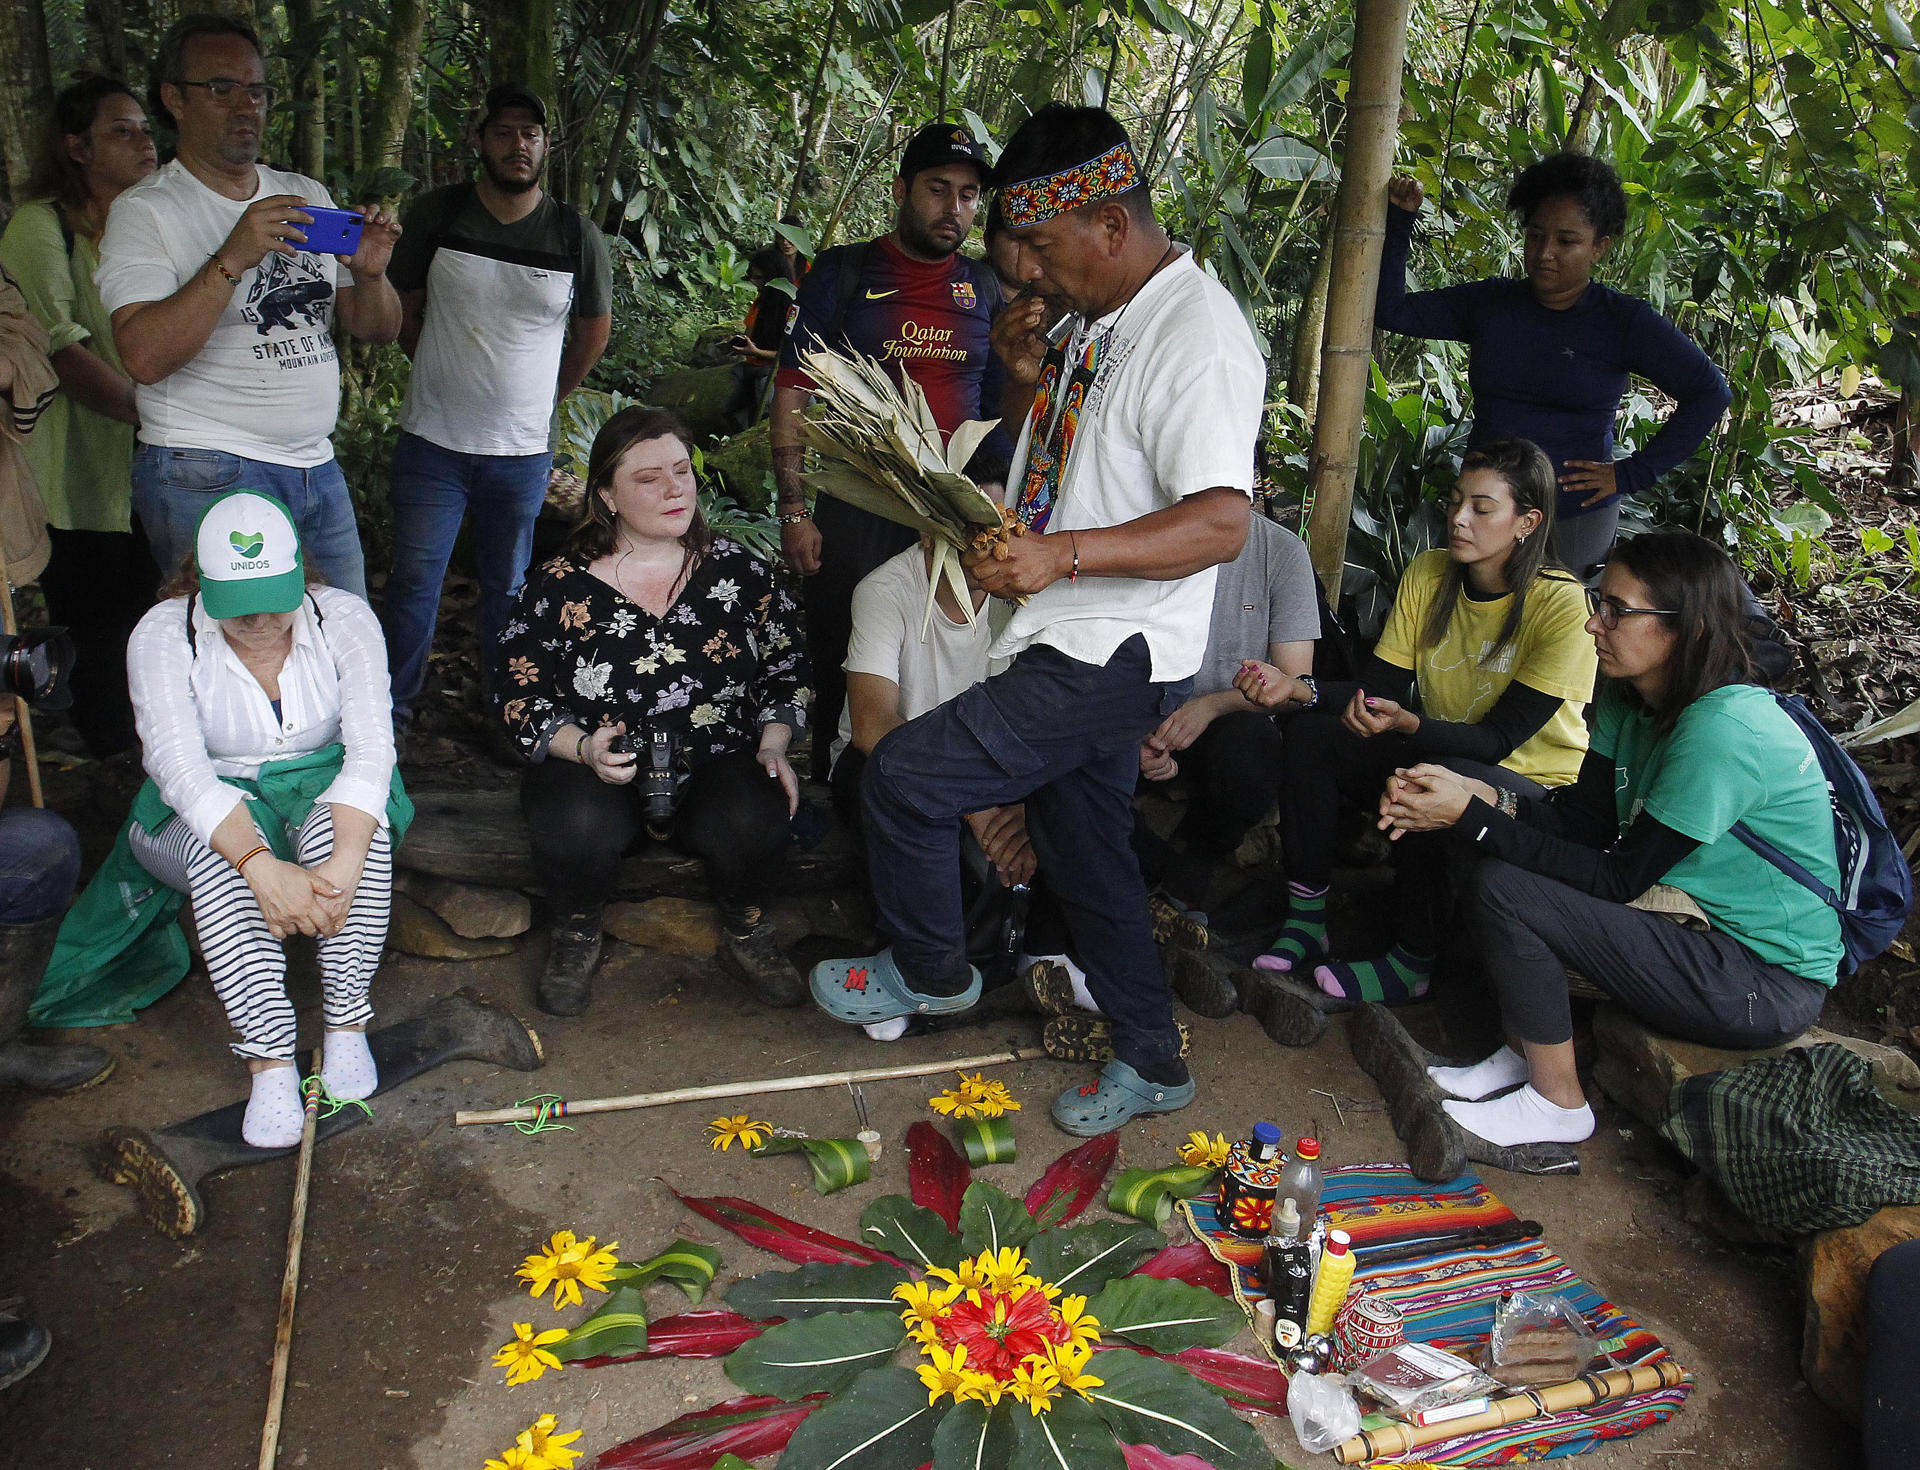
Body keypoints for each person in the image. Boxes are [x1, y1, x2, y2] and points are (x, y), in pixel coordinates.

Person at [808, 103, 1260, 1134]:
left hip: (1109, 646)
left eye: (1044, 249)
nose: (1029, 275)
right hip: (1068, 628)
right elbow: (1060, 475)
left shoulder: (1199, 339)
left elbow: (1223, 521)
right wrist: (1021, 386)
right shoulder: (1104, 320)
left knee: (911, 774)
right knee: (1087, 846)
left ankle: (931, 968)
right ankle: (1153, 1063)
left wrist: (1060, 557)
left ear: (1109, 222)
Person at [1378, 530, 1839, 1149]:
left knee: (1506, 886)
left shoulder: (1725, 730)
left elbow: (1620, 877)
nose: (1595, 624)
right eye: (1600, 602)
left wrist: (1472, 816)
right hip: (1686, 922)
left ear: (1689, 629)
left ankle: (1557, 1103)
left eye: (1617, 611)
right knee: (1479, 795)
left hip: (1759, 978)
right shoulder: (1629, 696)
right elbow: (1581, 826)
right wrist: (1477, 799)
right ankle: (1524, 1056)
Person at [1235, 438, 1596, 1007]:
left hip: (1531, 787)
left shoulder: (1563, 607)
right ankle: (1306, 917)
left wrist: (1405, 726)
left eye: (1482, 508)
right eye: (1456, 501)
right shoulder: (1431, 573)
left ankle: (1412, 961)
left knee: (1435, 775)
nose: (1458, 519)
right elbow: (1376, 691)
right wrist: (1298, 690)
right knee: (1314, 735)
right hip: (1438, 747)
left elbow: (1498, 740)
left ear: (1527, 522)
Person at [493, 407, 811, 1017]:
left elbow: (787, 667)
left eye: (682, 471)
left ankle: (745, 929)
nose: (675, 489)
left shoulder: (741, 574)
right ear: (607, 496)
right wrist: (581, 747)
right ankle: (578, 931)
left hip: (719, 758)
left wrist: (774, 743)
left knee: (760, 809)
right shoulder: (558, 584)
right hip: (598, 762)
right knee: (571, 819)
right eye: (648, 478)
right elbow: (517, 693)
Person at [121, 491, 407, 1148]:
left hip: (319, 786)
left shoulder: (344, 619)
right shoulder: (164, 633)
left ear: (300, 572)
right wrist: (259, 866)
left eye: (274, 597)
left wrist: (342, 865)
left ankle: (345, 1022)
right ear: (200, 583)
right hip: (200, 807)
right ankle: (270, 1058)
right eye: (237, 604)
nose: (257, 618)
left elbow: (370, 752)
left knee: (355, 834)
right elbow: (180, 770)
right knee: (219, 860)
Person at [98, 12, 401, 597]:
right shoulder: (146, 210)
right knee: (234, 666)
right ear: (174, 99)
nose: (246, 105)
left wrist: (370, 277)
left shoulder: (305, 194)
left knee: (341, 644)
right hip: (207, 467)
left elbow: (377, 329)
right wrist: (232, 257)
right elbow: (142, 357)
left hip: (316, 465)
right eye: (221, 88)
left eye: (257, 90)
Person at [772, 122, 1006, 774]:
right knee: (840, 646)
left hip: (957, 509)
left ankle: (929, 788)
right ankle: (832, 783)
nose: (952, 208)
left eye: (966, 195)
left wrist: (1000, 503)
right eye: (937, 189)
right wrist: (793, 510)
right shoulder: (845, 273)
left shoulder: (984, 288)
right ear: (902, 189)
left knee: (950, 654)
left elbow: (996, 410)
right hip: (859, 502)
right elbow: (792, 389)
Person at [380, 83, 613, 739]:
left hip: (520, 454)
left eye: (531, 134)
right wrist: (430, 363)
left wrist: (549, 396)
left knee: (507, 590)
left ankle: (507, 716)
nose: (520, 145)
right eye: (505, 132)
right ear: (480, 141)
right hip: (433, 443)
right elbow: (399, 304)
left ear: (545, 146)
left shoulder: (574, 233)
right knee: (414, 584)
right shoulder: (440, 214)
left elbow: (594, 329)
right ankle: (392, 719)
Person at [1376, 154, 1731, 575]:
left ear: (1599, 247)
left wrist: (1632, 474)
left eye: (1566, 241)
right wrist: (1399, 222)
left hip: (1574, 517)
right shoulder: (1491, 304)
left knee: (1563, 630)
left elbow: (1710, 393)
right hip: (1487, 512)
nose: (1545, 253)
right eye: (1535, 236)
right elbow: (1392, 311)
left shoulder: (1622, 321)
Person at [0, 76, 158, 758]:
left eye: (146, 128)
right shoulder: (42, 228)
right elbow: (58, 348)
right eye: (121, 131)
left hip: (151, 462)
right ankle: (108, 762)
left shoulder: (151, 219)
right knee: (97, 624)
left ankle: (141, 747)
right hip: (79, 469)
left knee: (149, 612)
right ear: (76, 148)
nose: (144, 142)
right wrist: (148, 412)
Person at [1137, 509, 1320, 918]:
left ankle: (1190, 867)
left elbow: (1296, 688)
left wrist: (1211, 706)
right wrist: (1137, 732)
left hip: (1227, 726)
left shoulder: (1280, 550)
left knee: (1253, 753)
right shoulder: (1142, 531)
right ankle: (1156, 871)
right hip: (1137, 716)